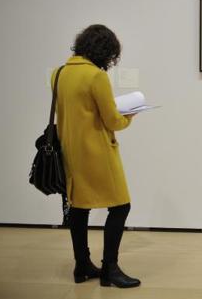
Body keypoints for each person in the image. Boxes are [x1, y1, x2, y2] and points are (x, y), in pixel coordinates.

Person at [51, 24, 140, 288]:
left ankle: (82, 266)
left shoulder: (59, 73)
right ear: (105, 52)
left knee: (79, 207)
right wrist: (130, 116)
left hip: (70, 153)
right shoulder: (96, 77)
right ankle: (110, 269)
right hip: (98, 154)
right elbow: (112, 121)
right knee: (121, 206)